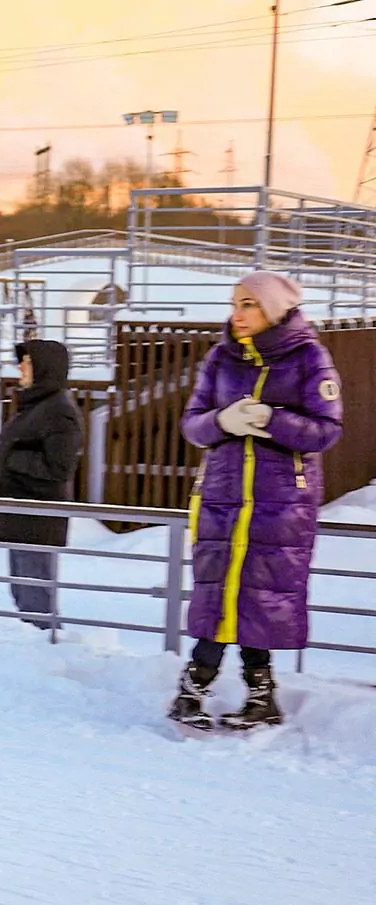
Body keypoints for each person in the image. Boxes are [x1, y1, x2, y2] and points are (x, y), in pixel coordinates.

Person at [168, 271, 343, 732]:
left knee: (256, 598)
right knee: (219, 592)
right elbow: (192, 425)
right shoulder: (220, 359)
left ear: (274, 309)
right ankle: (197, 690)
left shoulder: (310, 358)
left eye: (249, 303)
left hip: (281, 501)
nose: (238, 313)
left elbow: (327, 430)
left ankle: (248, 694)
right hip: (223, 495)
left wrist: (271, 419)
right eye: (235, 302)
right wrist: (224, 420)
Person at [0, 339, 84, 630]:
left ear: (45, 368)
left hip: (37, 520)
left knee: (35, 598)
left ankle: (49, 653)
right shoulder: (37, 405)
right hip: (21, 517)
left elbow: (60, 466)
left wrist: (12, 460)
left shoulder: (58, 410)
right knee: (24, 593)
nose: (20, 367)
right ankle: (39, 651)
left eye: (28, 362)